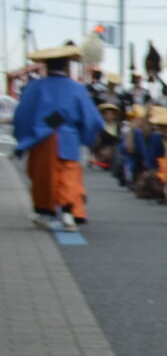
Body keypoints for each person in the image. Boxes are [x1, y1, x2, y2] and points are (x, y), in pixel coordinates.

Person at [13, 46, 105, 228]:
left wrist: (25, 137)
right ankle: (68, 212)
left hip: (42, 138)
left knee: (43, 176)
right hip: (68, 138)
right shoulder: (76, 88)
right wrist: (88, 138)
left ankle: (43, 211)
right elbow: (92, 118)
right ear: (66, 67)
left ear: (46, 67)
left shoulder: (35, 87)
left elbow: (23, 114)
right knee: (69, 174)